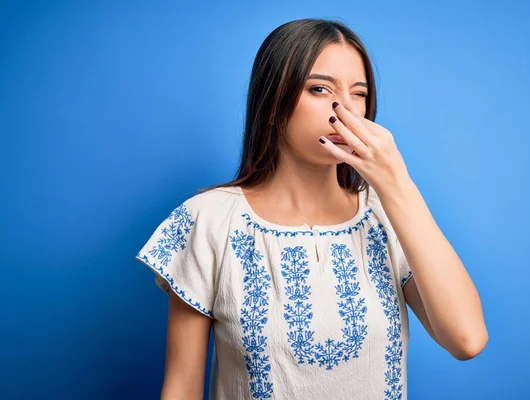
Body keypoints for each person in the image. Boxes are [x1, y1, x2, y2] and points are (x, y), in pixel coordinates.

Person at [136, 18, 488, 400]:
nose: (344, 110)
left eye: (359, 94)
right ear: (273, 102)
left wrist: (397, 183)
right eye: (319, 89)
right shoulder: (208, 221)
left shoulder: (387, 214)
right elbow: (181, 388)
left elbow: (466, 339)